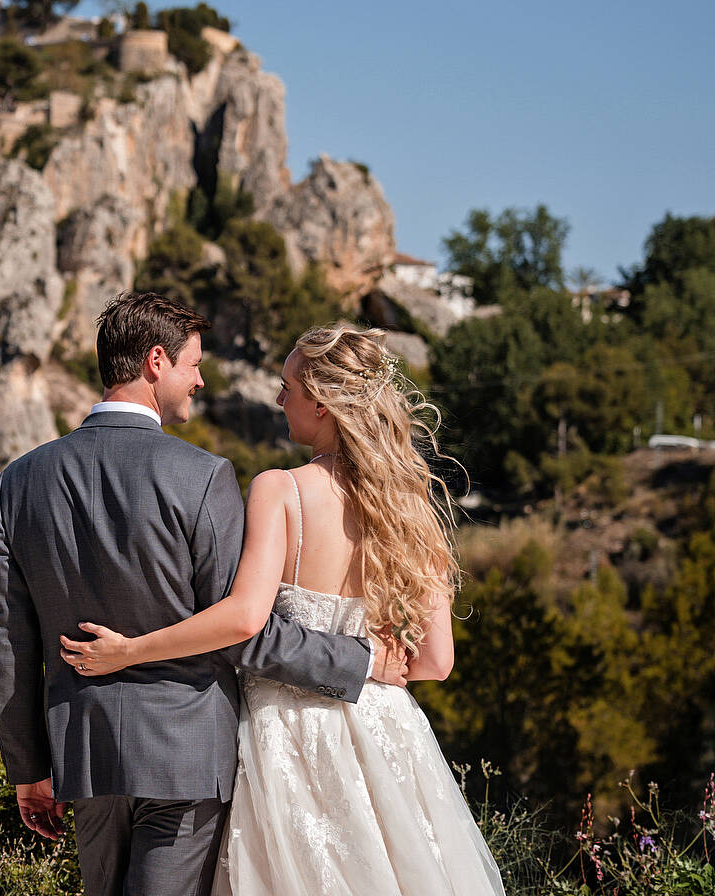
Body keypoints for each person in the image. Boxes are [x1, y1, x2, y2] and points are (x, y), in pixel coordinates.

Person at [0, 294, 408, 896]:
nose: (201, 380)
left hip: (85, 752)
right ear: (157, 362)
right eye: (193, 364)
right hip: (186, 754)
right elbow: (244, 627)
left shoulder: (20, 481)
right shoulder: (202, 476)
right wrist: (361, 661)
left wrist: (28, 771)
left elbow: (8, 638)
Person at [60, 324, 506, 895]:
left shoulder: (280, 489)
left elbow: (245, 621)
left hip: (289, 740)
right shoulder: (410, 504)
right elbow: (437, 661)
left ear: (320, 401)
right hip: (388, 734)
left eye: (287, 385)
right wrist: (374, 663)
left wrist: (129, 651)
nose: (278, 399)